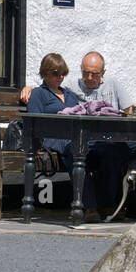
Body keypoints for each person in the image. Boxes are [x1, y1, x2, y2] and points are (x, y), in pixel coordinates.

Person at [25, 52, 102, 220]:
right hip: (52, 138)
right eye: (55, 73)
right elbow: (35, 123)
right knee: (76, 151)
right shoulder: (39, 94)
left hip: (74, 138)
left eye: (63, 73)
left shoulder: (68, 94)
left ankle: (110, 204)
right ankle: (88, 207)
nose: (60, 77)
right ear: (44, 73)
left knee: (104, 151)